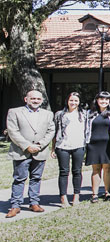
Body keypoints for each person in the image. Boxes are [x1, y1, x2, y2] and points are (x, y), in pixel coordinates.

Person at [5, 90, 55, 218]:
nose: (35, 101)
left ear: (42, 100)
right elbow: (12, 131)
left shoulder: (48, 114)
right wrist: (27, 146)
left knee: (36, 178)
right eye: (32, 98)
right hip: (21, 151)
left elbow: (51, 131)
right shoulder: (14, 112)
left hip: (40, 151)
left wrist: (40, 145)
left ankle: (34, 203)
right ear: (26, 99)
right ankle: (15, 205)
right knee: (19, 179)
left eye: (38, 99)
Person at [51, 92, 86, 207]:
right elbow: (55, 132)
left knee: (77, 171)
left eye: (76, 101)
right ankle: (63, 198)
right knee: (63, 172)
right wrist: (53, 148)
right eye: (71, 100)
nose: (73, 103)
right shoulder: (60, 114)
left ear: (79, 102)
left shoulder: (83, 114)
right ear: (67, 101)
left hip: (79, 146)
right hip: (63, 146)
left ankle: (76, 196)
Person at [85, 91, 110, 202]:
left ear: (109, 101)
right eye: (101, 99)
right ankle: (94, 194)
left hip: (109, 144)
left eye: (106, 99)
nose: (103, 101)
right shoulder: (89, 113)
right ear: (97, 100)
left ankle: (107, 192)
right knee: (96, 169)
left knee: (107, 168)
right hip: (93, 145)